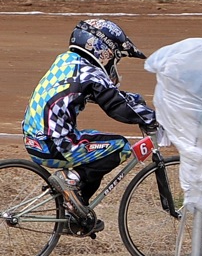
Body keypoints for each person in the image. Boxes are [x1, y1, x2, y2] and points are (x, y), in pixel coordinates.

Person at [22, 19, 156, 234]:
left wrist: (136, 102)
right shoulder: (90, 73)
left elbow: (108, 96)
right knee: (119, 146)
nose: (113, 62)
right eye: (115, 56)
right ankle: (70, 180)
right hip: (56, 144)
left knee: (95, 145)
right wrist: (152, 118)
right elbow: (117, 108)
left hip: (36, 141)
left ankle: (74, 212)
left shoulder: (67, 62)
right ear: (102, 50)